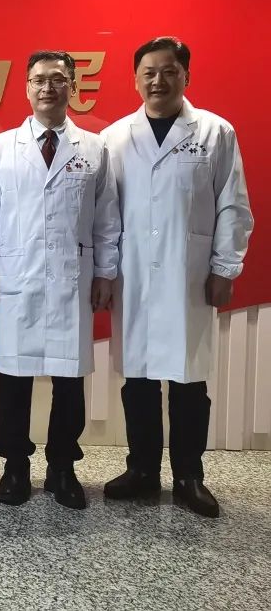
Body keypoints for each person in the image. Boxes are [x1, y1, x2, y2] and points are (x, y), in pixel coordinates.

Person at [101, 36, 252, 518]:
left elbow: (233, 204)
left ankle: (189, 476)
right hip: (133, 276)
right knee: (138, 380)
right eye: (148, 72)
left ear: (186, 75)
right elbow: (105, 213)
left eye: (169, 71)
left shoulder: (215, 132)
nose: (158, 81)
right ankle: (143, 470)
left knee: (189, 381)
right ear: (135, 79)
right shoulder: (115, 137)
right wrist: (105, 270)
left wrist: (225, 267)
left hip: (190, 274)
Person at [0, 50, 121, 510]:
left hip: (71, 279)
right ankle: (14, 465)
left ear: (72, 87)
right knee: (14, 380)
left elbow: (106, 219)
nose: (47, 87)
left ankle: (62, 466)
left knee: (69, 380)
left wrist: (106, 271)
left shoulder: (94, 147)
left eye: (58, 79)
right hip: (17, 276)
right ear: (26, 88)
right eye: (39, 79)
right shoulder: (3, 147)